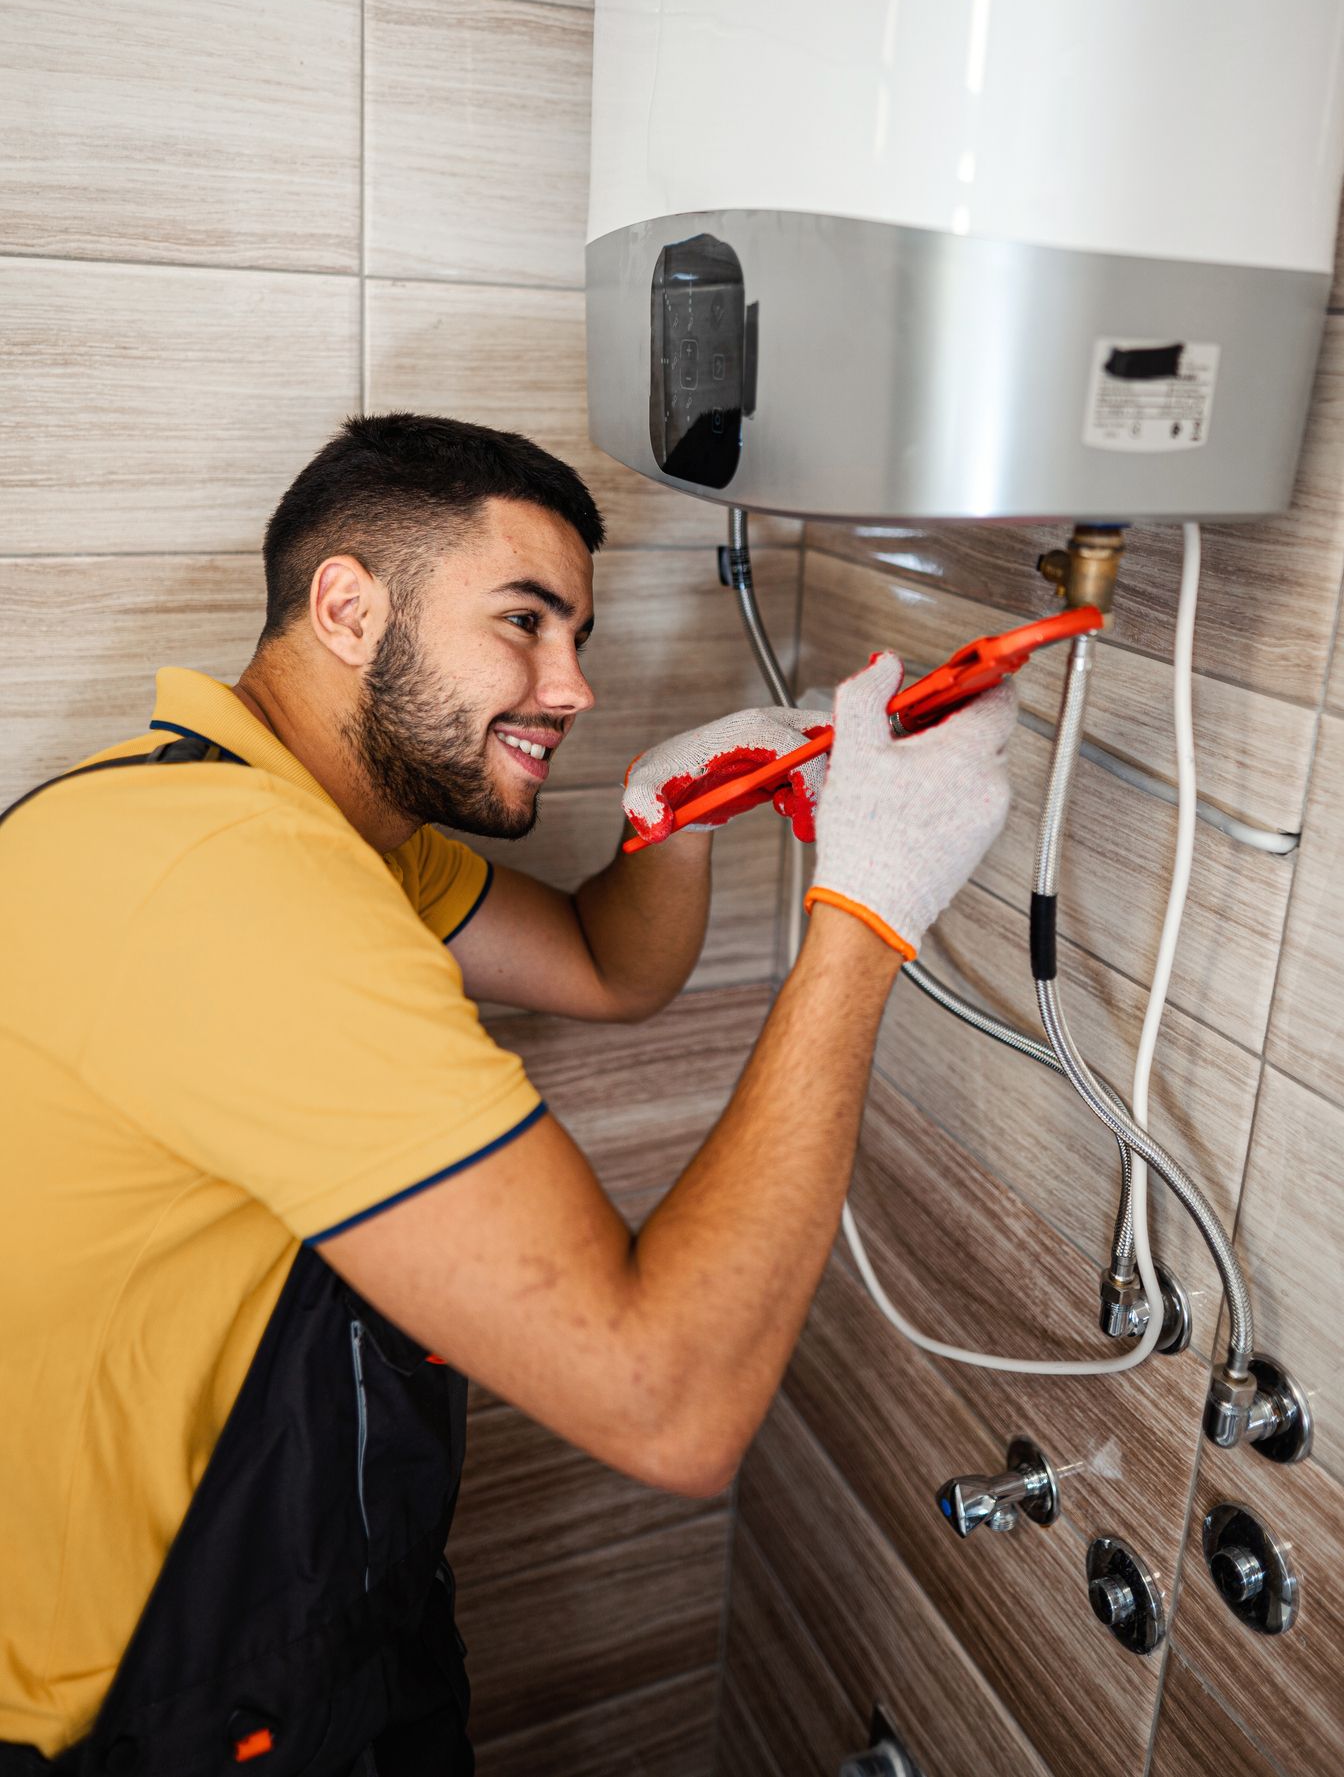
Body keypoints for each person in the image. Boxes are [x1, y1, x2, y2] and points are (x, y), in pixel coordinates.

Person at [0, 413, 1014, 1775]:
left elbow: (604, 964)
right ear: (348, 607)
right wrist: (866, 913)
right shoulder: (233, 885)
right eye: (525, 622)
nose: (573, 686)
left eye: (576, 636)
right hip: (136, 1710)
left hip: (314, 1597)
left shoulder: (279, 817)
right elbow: (669, 1404)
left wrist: (674, 817)